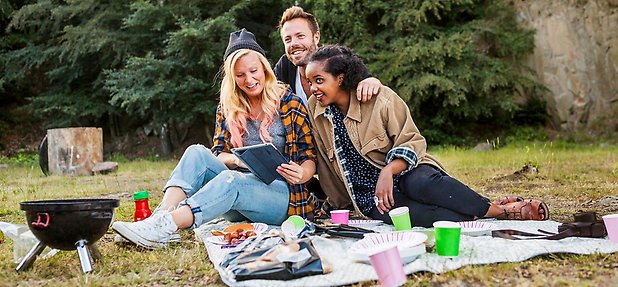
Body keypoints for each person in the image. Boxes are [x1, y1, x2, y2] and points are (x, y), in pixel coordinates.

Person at [112, 29, 317, 249]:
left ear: (264, 69)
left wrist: (302, 174)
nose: (249, 80)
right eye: (240, 75)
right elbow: (218, 151)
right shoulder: (228, 107)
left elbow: (309, 157)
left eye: (253, 71)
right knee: (196, 152)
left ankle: (169, 224)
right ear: (232, 77)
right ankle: (158, 220)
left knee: (233, 181)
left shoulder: (289, 102)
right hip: (236, 195)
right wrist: (239, 161)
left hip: (283, 197)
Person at [304, 44, 549, 227]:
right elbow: (326, 166)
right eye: (309, 82)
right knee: (432, 217)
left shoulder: (382, 99)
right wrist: (334, 207)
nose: (313, 89)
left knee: (422, 184)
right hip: (371, 198)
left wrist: (388, 171)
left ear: (341, 78)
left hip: (407, 172)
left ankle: (498, 211)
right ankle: (491, 209)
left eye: (319, 81)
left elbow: (412, 140)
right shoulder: (315, 111)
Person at [274, 6, 382, 106]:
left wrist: (370, 80)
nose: (293, 44)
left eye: (300, 36)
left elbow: (366, 79)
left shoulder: (335, 59)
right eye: (288, 39)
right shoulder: (284, 67)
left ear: (316, 37)